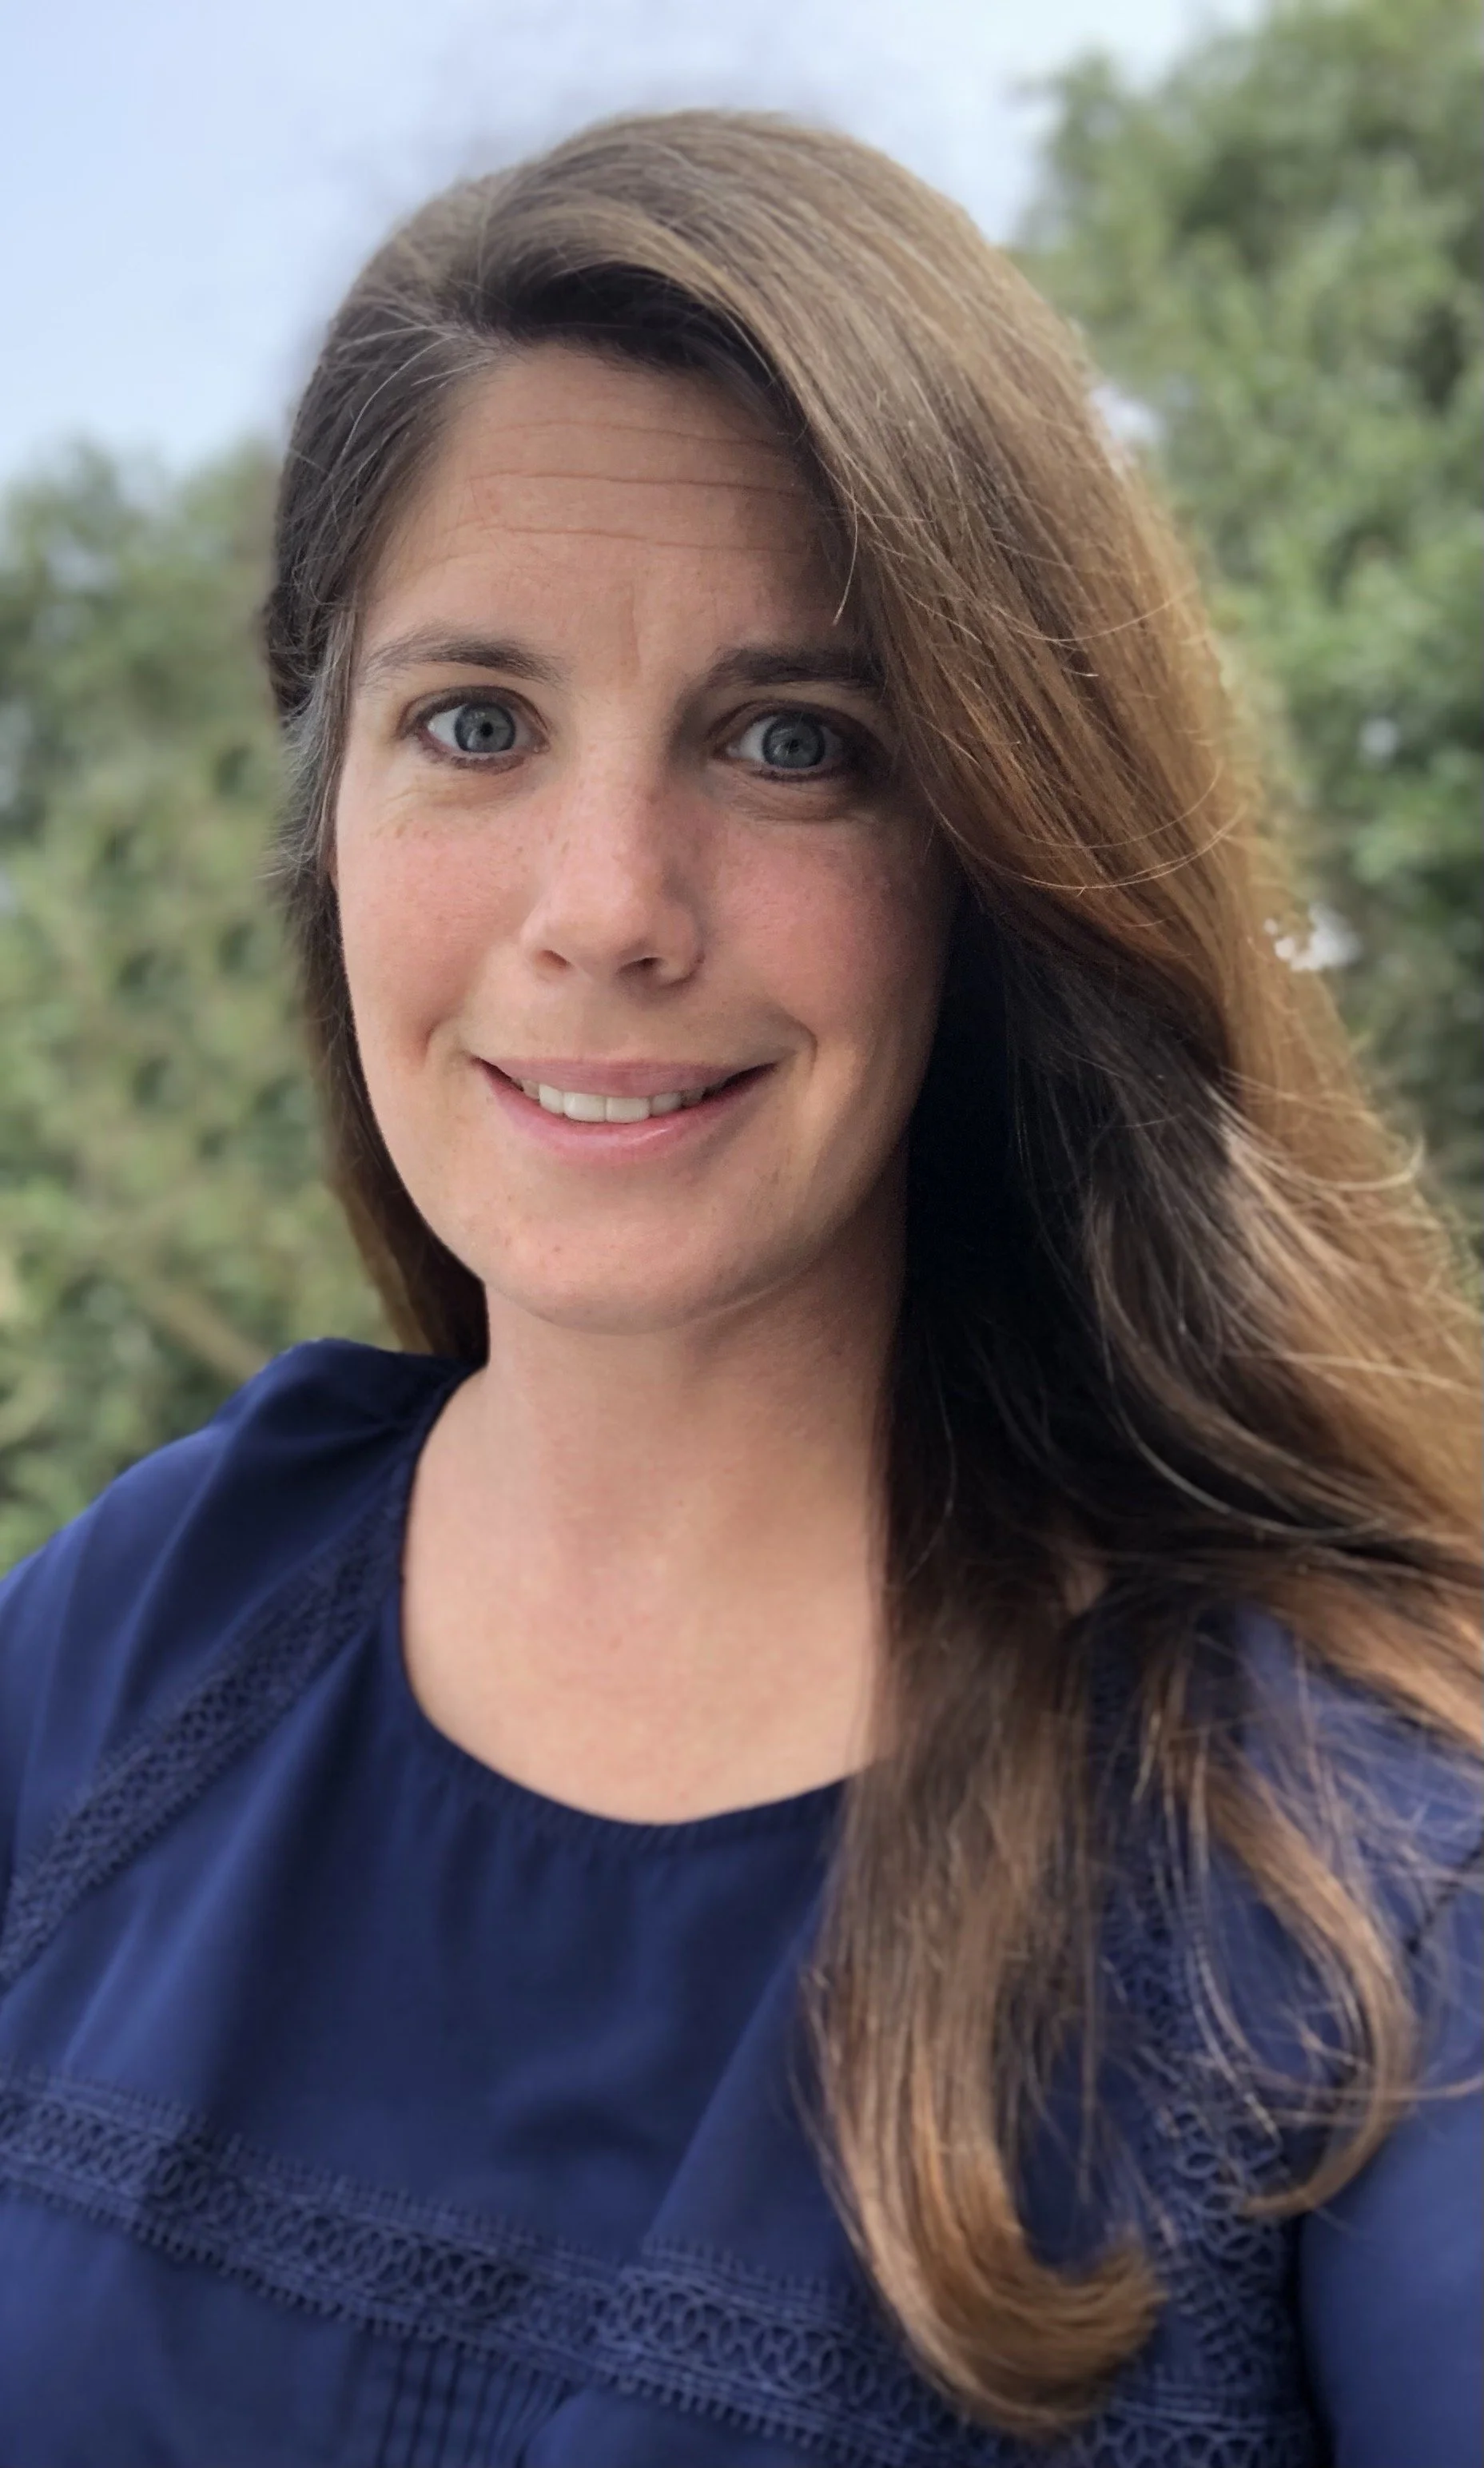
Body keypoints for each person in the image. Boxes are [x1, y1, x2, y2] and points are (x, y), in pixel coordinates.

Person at [0, 109, 1478, 2468]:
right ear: (327, 812)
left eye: (792, 742)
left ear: (993, 851)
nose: (607, 902)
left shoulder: (1346, 1872)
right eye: (474, 723)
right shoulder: (135, 1628)